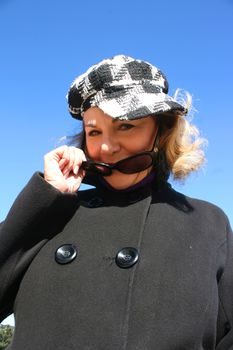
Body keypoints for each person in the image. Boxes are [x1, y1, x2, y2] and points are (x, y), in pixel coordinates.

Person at [0, 54, 232, 350]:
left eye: (126, 126)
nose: (107, 147)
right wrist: (45, 200)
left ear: (161, 131)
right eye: (94, 131)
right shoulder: (51, 213)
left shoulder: (208, 222)